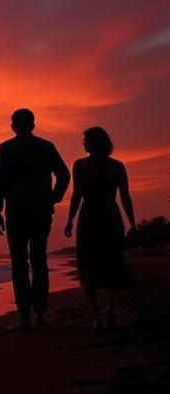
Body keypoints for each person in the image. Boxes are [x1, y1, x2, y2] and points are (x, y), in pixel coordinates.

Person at [0, 108, 70, 331]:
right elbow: (64, 174)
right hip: (41, 212)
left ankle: (24, 316)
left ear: (13, 126)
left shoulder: (6, 148)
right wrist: (53, 197)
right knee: (39, 260)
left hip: (16, 212)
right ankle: (41, 314)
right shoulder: (46, 147)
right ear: (33, 125)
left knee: (19, 263)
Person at [64, 126, 136, 330]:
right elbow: (125, 198)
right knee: (111, 263)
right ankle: (110, 308)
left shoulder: (80, 165)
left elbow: (76, 195)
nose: (83, 143)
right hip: (111, 217)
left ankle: (97, 316)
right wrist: (133, 223)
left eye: (85, 139)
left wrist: (70, 219)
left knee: (88, 266)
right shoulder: (118, 166)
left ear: (92, 142)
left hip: (89, 218)